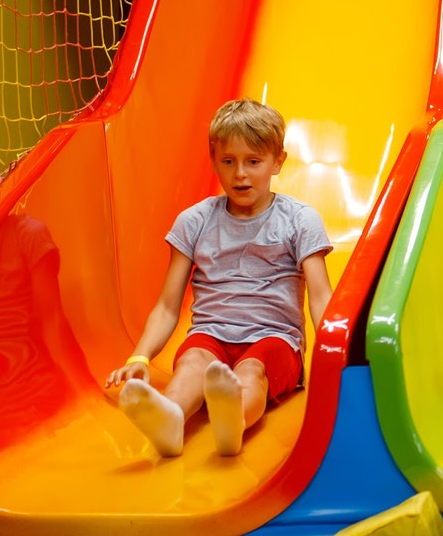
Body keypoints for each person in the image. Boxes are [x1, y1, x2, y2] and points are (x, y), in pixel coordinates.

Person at [105, 99, 334, 458]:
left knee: (252, 371)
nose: (240, 173)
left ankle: (234, 421)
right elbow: (167, 306)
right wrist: (141, 357)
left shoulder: (300, 220)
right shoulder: (194, 222)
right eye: (228, 161)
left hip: (274, 339)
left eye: (253, 161)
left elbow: (321, 299)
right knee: (192, 364)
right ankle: (172, 420)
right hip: (210, 334)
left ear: (278, 161)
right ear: (213, 161)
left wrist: (337, 354)